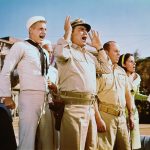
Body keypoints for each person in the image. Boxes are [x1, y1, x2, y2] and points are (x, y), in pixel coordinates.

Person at [54, 16, 112, 150]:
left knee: (91, 147)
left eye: (86, 30)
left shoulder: (90, 56)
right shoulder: (67, 51)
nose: (85, 33)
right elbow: (60, 53)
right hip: (73, 108)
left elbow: (106, 68)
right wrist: (66, 34)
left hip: (90, 109)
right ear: (71, 32)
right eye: (81, 29)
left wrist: (99, 48)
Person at [0, 16, 53, 150]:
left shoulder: (45, 52)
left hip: (45, 100)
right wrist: (6, 96)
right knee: (27, 141)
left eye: (45, 29)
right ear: (31, 30)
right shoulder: (20, 46)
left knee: (46, 143)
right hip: (29, 98)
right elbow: (6, 70)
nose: (44, 32)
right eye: (40, 29)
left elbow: (42, 74)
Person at [96, 41, 134, 150]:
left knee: (126, 147)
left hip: (122, 118)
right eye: (116, 51)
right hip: (105, 117)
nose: (119, 54)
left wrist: (130, 114)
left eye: (119, 51)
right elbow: (93, 97)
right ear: (106, 52)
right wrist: (98, 119)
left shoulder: (121, 71)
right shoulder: (99, 70)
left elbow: (127, 94)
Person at [118, 53, 150, 150]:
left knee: (135, 143)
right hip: (121, 114)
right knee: (123, 142)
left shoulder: (137, 77)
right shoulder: (119, 76)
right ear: (123, 64)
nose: (134, 64)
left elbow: (134, 94)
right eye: (131, 61)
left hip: (134, 114)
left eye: (134, 62)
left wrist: (147, 97)